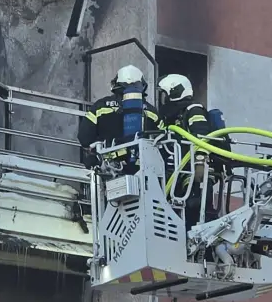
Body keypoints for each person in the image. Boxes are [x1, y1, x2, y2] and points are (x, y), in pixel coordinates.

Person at [156, 74, 222, 230]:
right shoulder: (171, 118)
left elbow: (202, 135)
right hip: (180, 172)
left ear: (174, 92)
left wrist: (200, 161)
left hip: (195, 172)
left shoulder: (194, 110)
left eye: (165, 94)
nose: (163, 99)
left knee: (198, 211)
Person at [77, 65, 164, 170]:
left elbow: (84, 136)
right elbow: (162, 141)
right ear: (142, 86)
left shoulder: (100, 106)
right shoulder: (152, 111)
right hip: (142, 168)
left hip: (108, 166)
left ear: (116, 84)